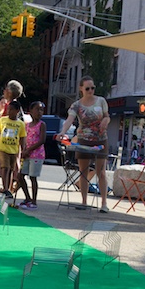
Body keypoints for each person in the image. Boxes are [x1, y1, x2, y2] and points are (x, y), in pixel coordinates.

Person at [57, 75, 110, 212]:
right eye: (87, 88)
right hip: (84, 139)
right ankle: (84, 201)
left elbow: (107, 116)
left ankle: (104, 203)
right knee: (83, 171)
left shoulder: (101, 101)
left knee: (101, 172)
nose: (90, 90)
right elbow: (70, 119)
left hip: (100, 139)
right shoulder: (77, 105)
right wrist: (63, 131)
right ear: (81, 89)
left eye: (93, 88)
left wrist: (106, 121)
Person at [0, 100, 26, 198]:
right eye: (8, 109)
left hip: (14, 150)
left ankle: (8, 188)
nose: (9, 111)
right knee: (4, 167)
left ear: (17, 111)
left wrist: (23, 149)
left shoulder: (21, 124)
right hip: (3, 148)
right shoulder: (3, 120)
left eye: (11, 109)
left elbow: (22, 137)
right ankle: (5, 188)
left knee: (11, 169)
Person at [18, 101, 46, 210]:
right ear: (31, 111)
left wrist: (29, 150)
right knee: (20, 176)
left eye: (41, 110)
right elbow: (25, 139)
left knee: (33, 177)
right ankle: (27, 198)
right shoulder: (27, 125)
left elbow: (41, 140)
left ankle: (34, 201)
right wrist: (23, 150)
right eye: (37, 109)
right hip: (27, 154)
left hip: (36, 154)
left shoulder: (41, 125)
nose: (39, 112)